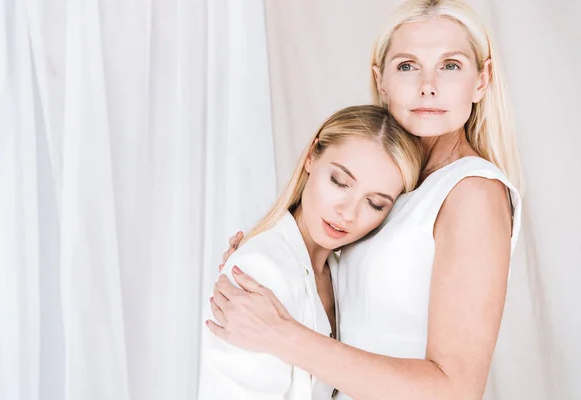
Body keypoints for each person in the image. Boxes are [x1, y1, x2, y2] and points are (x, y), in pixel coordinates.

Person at [206, 0, 523, 399]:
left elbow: (456, 390)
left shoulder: (472, 192)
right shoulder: (399, 186)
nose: (428, 84)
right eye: (408, 65)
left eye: (450, 65)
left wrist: (281, 334)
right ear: (382, 79)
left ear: (482, 80)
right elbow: (365, 312)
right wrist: (276, 258)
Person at [199, 105, 423, 399]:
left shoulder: (344, 272)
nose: (347, 213)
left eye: (375, 204)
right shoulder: (258, 271)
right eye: (339, 182)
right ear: (311, 156)